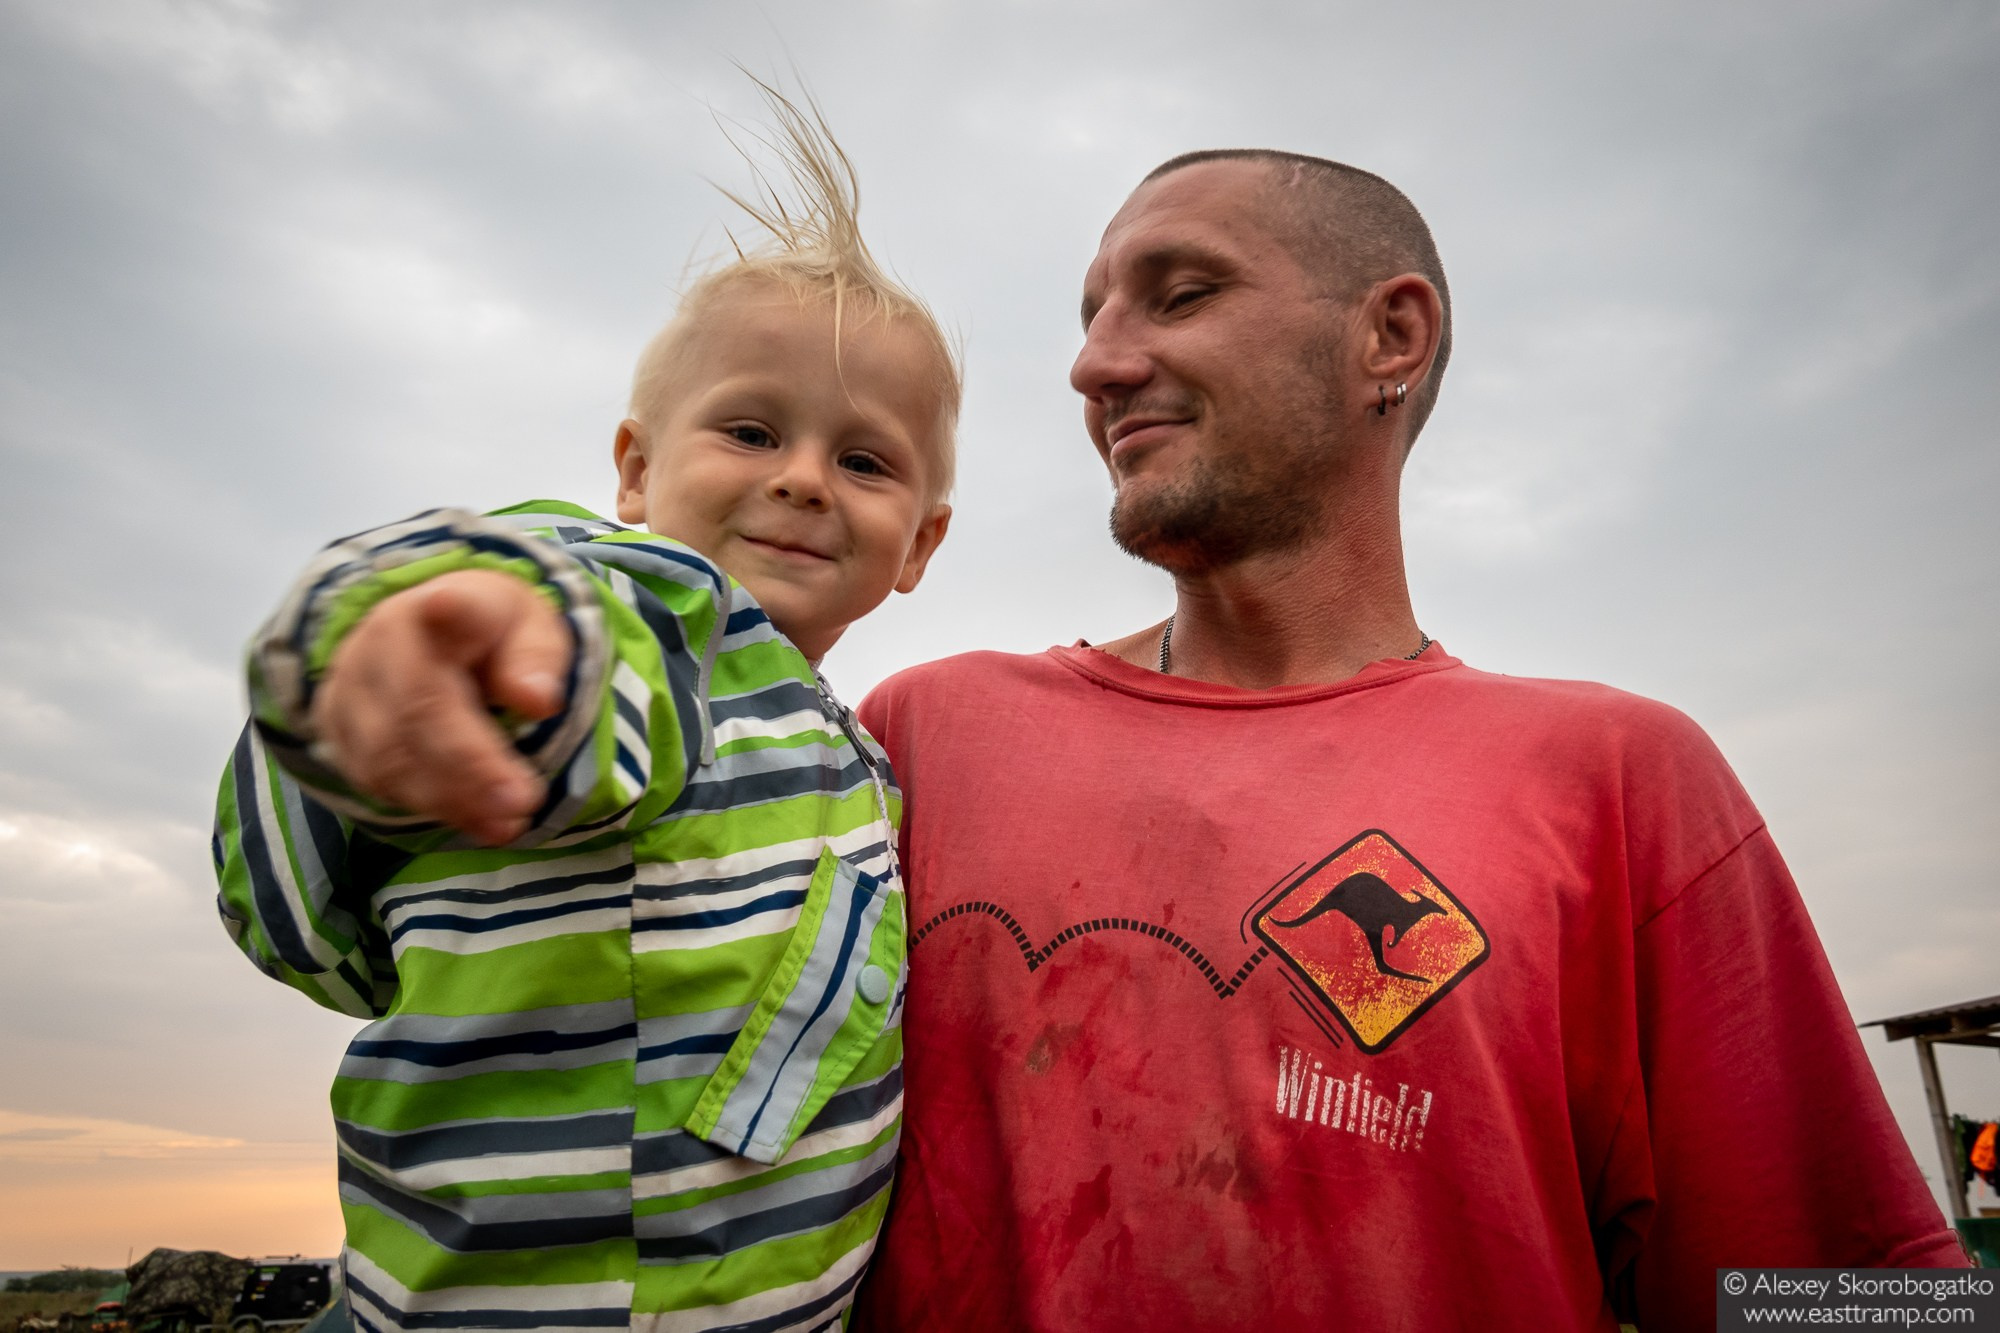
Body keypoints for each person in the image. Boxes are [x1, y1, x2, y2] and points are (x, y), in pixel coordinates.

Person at [848, 151, 1967, 1331]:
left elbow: (1837, 1290)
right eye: (1091, 319)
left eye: (1180, 296)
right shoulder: (924, 736)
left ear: (1390, 335)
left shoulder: (1614, 782)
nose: (1097, 364)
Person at [211, 91, 954, 1332]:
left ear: (919, 542)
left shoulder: (846, 753)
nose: (800, 478)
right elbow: (579, 660)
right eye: (751, 428)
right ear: (632, 471)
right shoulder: (663, 625)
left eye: (864, 459)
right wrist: (446, 638)